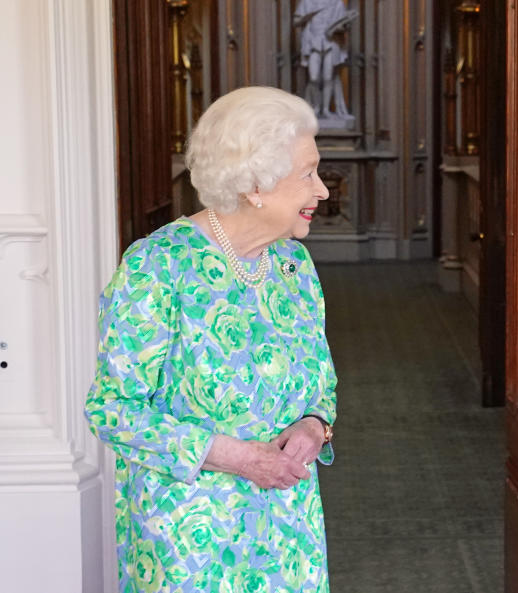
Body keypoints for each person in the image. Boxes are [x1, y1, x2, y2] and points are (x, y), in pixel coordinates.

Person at [86, 86, 337, 592]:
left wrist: (314, 425)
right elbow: (112, 410)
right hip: (190, 542)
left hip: (288, 531)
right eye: (307, 174)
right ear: (255, 185)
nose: (323, 191)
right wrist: (240, 457)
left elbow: (321, 385)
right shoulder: (159, 266)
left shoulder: (292, 264)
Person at [294, 0, 354, 121]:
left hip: (331, 42)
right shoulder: (307, 2)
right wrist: (305, 18)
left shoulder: (337, 3)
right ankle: (316, 107)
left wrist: (340, 27)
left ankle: (325, 109)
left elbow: (345, 25)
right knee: (314, 78)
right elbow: (296, 21)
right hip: (313, 42)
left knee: (328, 78)